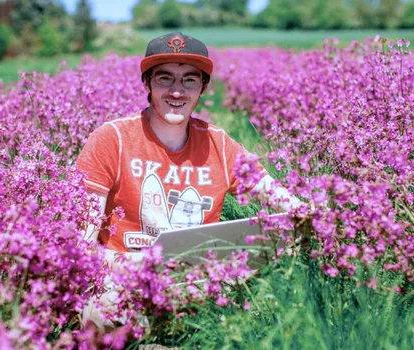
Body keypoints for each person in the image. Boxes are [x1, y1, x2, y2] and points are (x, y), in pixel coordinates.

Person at [77, 32, 303, 331]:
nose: (177, 92)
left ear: (203, 88)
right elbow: (82, 243)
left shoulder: (219, 144)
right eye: (165, 79)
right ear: (147, 83)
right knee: (98, 318)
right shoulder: (112, 139)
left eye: (189, 80)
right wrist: (127, 266)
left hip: (196, 281)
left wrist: (312, 216)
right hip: (124, 277)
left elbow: (278, 197)